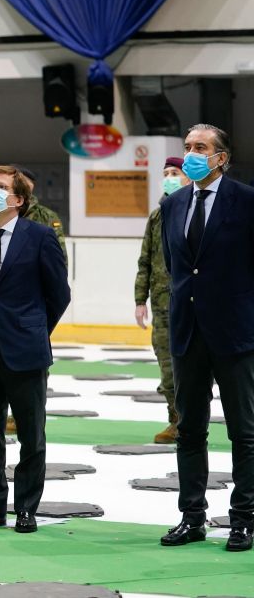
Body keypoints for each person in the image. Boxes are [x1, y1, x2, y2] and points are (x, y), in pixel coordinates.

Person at [0, 165, 70, 534]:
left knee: (30, 436)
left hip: (25, 348)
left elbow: (59, 294)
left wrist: (35, 328)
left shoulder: (39, 237)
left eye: (0, 187)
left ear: (18, 200)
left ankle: (26, 508)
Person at [159, 124, 254, 552]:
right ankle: (191, 516)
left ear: (222, 157)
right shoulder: (174, 205)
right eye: (188, 147)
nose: (192, 154)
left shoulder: (246, 201)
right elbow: (176, 267)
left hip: (235, 333)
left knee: (244, 433)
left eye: (200, 147)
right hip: (187, 334)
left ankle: (244, 519)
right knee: (189, 430)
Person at [3, 166, 68, 436]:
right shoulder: (0, 216)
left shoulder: (46, 218)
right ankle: (10, 412)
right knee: (3, 360)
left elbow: (59, 264)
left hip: (35, 303)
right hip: (7, 304)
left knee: (34, 362)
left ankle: (29, 414)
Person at [134, 157, 190, 444]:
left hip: (193, 305)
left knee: (198, 370)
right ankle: (176, 421)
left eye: (175, 172)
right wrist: (139, 299)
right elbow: (145, 259)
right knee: (168, 368)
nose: (169, 177)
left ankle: (193, 420)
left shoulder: (196, 210)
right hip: (162, 307)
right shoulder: (158, 216)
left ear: (188, 177)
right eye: (166, 173)